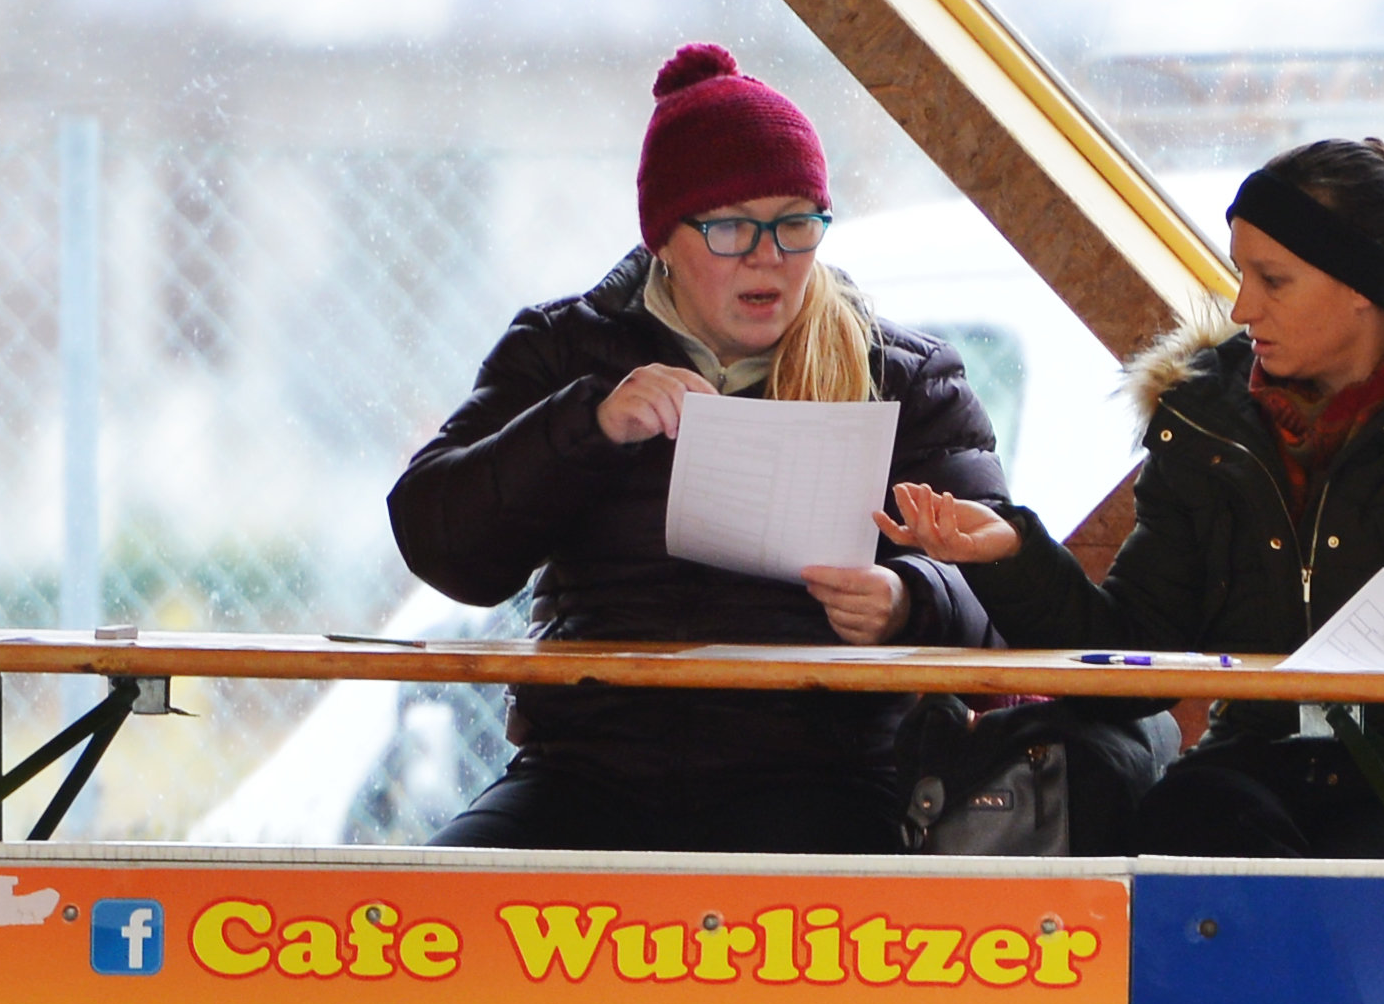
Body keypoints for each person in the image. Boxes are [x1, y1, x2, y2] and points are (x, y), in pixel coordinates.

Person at [882, 135, 1384, 857]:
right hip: (1260, 764)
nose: (1244, 307)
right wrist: (1011, 556)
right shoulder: (1206, 417)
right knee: (1179, 831)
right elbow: (1135, 650)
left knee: (1371, 881)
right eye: (1240, 274)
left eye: (1273, 280)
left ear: (1362, 286)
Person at [387, 44, 1007, 853]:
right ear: (664, 240)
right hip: (587, 770)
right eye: (731, 226)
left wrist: (907, 600)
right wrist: (589, 426)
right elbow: (440, 542)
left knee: (847, 901)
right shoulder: (563, 351)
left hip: (823, 775)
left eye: (795, 223)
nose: (768, 255)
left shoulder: (901, 376)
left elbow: (1005, 589)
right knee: (431, 906)